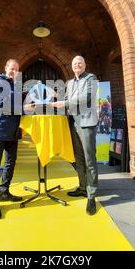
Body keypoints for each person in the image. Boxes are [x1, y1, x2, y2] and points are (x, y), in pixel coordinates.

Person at [52, 56, 99, 215]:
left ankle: (91, 195)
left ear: (85, 65)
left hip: (87, 123)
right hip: (73, 123)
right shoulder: (70, 83)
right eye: (74, 63)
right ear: (72, 67)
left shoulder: (91, 78)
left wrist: (64, 103)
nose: (77, 65)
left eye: (80, 62)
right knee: (77, 158)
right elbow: (67, 100)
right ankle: (82, 187)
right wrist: (56, 97)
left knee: (89, 159)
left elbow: (87, 98)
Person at [0, 59, 24, 219]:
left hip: (13, 131)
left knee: (10, 162)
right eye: (12, 69)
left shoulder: (15, 86)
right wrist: (23, 107)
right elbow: (2, 105)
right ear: (5, 68)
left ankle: (4, 191)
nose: (14, 72)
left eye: (16, 70)